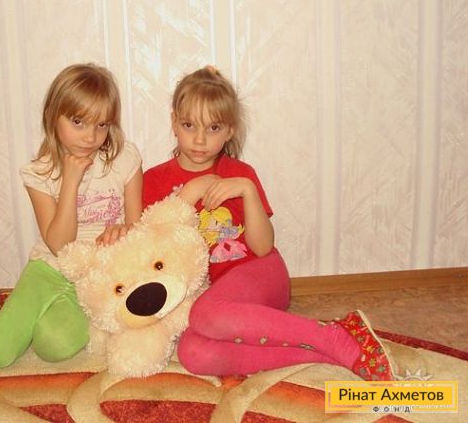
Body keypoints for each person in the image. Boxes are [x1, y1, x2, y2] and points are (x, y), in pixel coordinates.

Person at [142, 65, 394, 380]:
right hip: (217, 298)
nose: (200, 139)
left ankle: (330, 336)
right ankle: (325, 353)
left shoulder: (240, 173)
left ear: (230, 131)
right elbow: (154, 247)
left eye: (214, 128)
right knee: (192, 353)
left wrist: (247, 191)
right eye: (189, 125)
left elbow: (262, 247)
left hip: (260, 274)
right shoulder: (154, 180)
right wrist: (191, 191)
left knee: (205, 315)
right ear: (173, 122)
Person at [0, 63, 143, 368]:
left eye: (101, 125)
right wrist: (70, 180)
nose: (90, 136)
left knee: (54, 346)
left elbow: (138, 228)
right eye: (78, 122)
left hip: (95, 277)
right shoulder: (40, 173)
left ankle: (29, 315)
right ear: (52, 116)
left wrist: (124, 229)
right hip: (48, 270)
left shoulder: (124, 160)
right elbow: (59, 245)